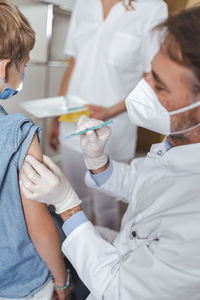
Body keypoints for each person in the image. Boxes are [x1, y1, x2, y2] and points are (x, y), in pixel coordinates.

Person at [20, 6, 200, 299]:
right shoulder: (179, 147)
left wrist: (68, 206)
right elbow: (143, 184)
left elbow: (118, 289)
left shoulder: (194, 223)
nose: (143, 88)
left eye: (159, 84)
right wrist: (99, 161)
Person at [48, 0, 168, 229]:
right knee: (72, 198)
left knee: (106, 205)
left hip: (114, 128)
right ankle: (75, 262)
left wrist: (109, 111)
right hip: (72, 122)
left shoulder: (153, 7)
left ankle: (109, 259)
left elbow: (151, 77)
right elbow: (74, 62)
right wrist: (57, 115)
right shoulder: (85, 3)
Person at [0, 1, 72, 299]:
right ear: (6, 68)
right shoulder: (19, 132)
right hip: (22, 281)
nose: (24, 72)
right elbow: (38, 224)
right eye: (25, 65)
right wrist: (61, 281)